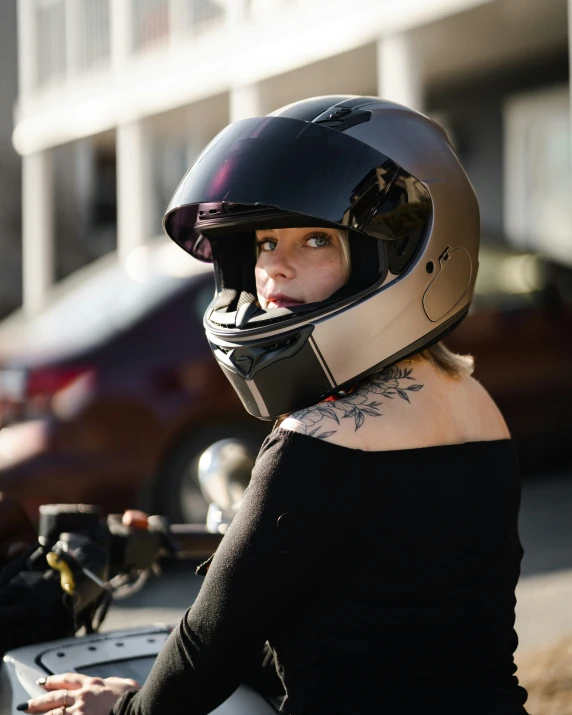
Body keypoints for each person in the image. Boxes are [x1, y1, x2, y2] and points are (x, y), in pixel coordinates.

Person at [21, 96, 528, 715]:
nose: (275, 269)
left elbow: (211, 646)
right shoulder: (478, 406)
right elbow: (375, 627)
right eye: (264, 242)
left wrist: (123, 709)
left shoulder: (317, 440)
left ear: (396, 255)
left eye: (314, 239)